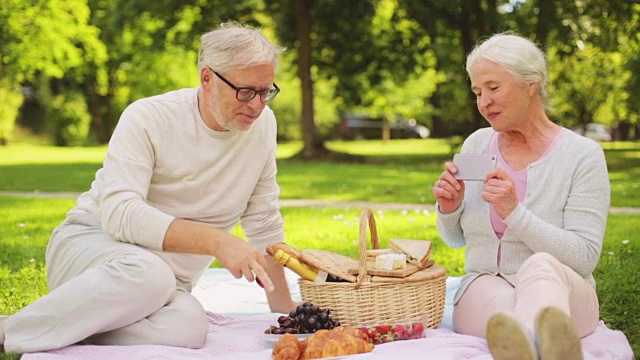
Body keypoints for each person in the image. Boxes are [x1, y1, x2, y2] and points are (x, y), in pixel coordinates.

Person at [0, 21, 297, 353]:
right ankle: (8, 331)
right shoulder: (149, 117)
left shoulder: (262, 125)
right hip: (93, 254)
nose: (257, 105)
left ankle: (68, 324)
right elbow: (119, 213)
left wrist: (287, 316)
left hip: (166, 286)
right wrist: (219, 243)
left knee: (188, 328)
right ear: (207, 77)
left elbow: (263, 220)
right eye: (245, 91)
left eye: (265, 92)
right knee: (150, 273)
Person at [432, 33, 610, 360]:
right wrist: (449, 208)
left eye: (493, 88)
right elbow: (454, 240)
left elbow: (584, 257)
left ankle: (527, 343)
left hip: (565, 293)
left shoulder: (583, 155)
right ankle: (542, 347)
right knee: (488, 292)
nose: (483, 101)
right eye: (477, 92)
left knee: (540, 266)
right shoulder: (476, 144)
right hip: (487, 288)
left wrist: (514, 212)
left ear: (532, 84)